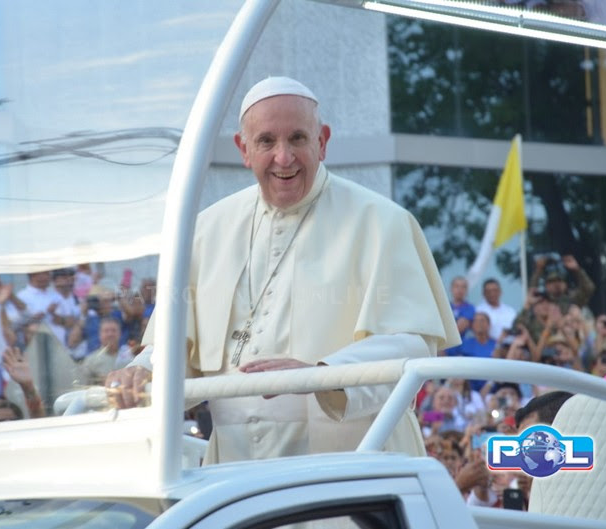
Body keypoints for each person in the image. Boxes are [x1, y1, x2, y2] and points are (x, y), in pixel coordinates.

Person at [106, 76, 459, 464]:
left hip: (348, 460)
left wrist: (319, 375)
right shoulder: (207, 229)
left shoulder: (382, 221)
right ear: (244, 149)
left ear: (322, 141)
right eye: (266, 141)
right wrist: (141, 372)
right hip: (236, 466)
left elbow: (411, 344)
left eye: (297, 139)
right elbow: (176, 346)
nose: (283, 157)